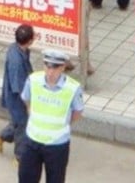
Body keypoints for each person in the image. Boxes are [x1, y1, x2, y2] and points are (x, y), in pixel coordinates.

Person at [17, 49, 85, 183]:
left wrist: (63, 124)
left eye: (55, 68)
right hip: (32, 141)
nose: (50, 72)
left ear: (63, 67)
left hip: (57, 144)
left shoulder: (72, 88)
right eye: (47, 67)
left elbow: (78, 112)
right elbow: (26, 99)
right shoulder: (33, 79)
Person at [0, 23, 34, 159]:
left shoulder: (17, 49)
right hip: (17, 99)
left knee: (17, 121)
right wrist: (28, 105)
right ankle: (19, 157)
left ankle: (0, 137)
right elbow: (19, 88)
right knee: (23, 125)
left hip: (16, 95)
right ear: (30, 40)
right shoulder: (17, 61)